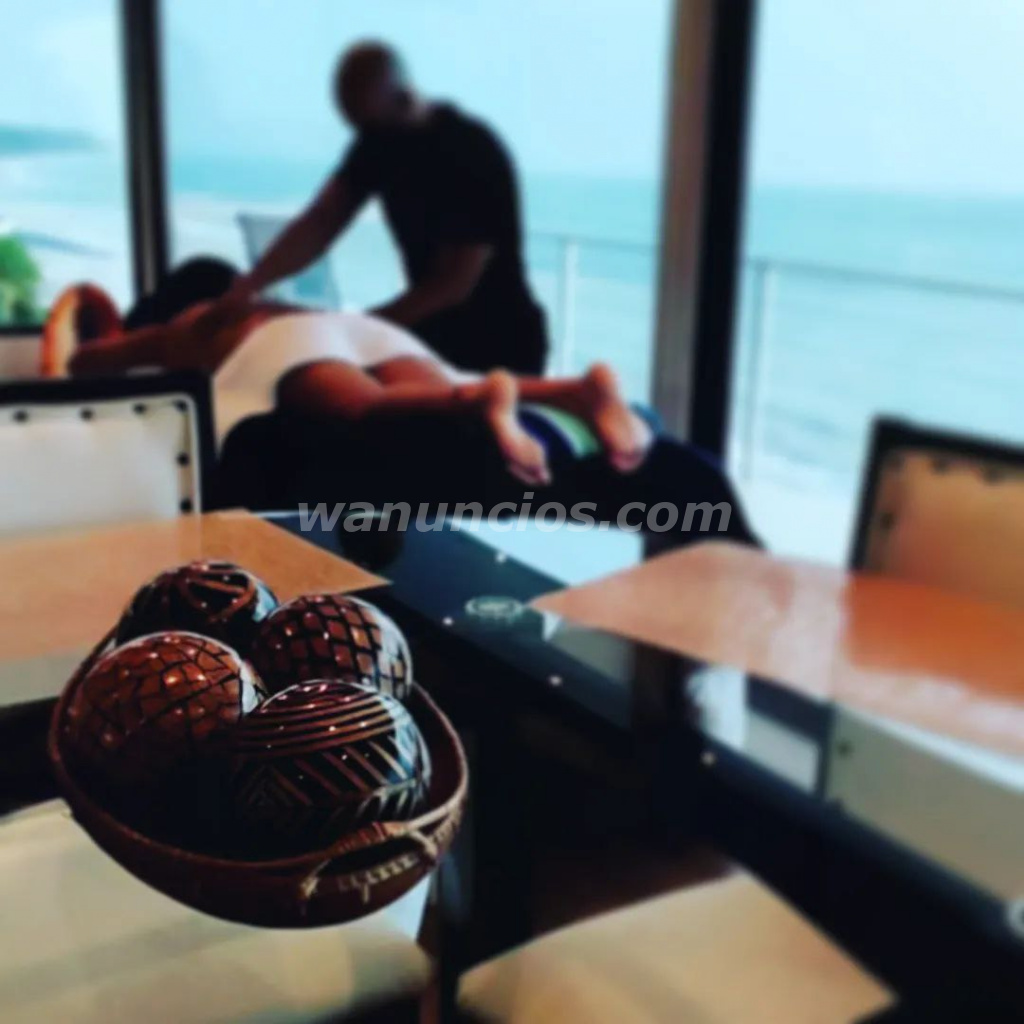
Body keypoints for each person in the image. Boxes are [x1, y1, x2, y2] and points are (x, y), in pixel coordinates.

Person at [67, 287, 651, 489]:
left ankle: (480, 400)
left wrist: (132, 340)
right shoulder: (273, 301)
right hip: (361, 328)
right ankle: (574, 390)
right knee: (435, 381)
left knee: (362, 406)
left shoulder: (191, 323)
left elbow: (83, 362)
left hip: (287, 343)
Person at [210, 42, 548, 375]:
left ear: (404, 97)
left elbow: (453, 284)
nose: (364, 138)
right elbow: (322, 220)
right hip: (436, 333)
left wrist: (360, 327)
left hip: (501, 342)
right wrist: (251, 284)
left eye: (368, 124)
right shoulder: (379, 140)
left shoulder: (470, 152)